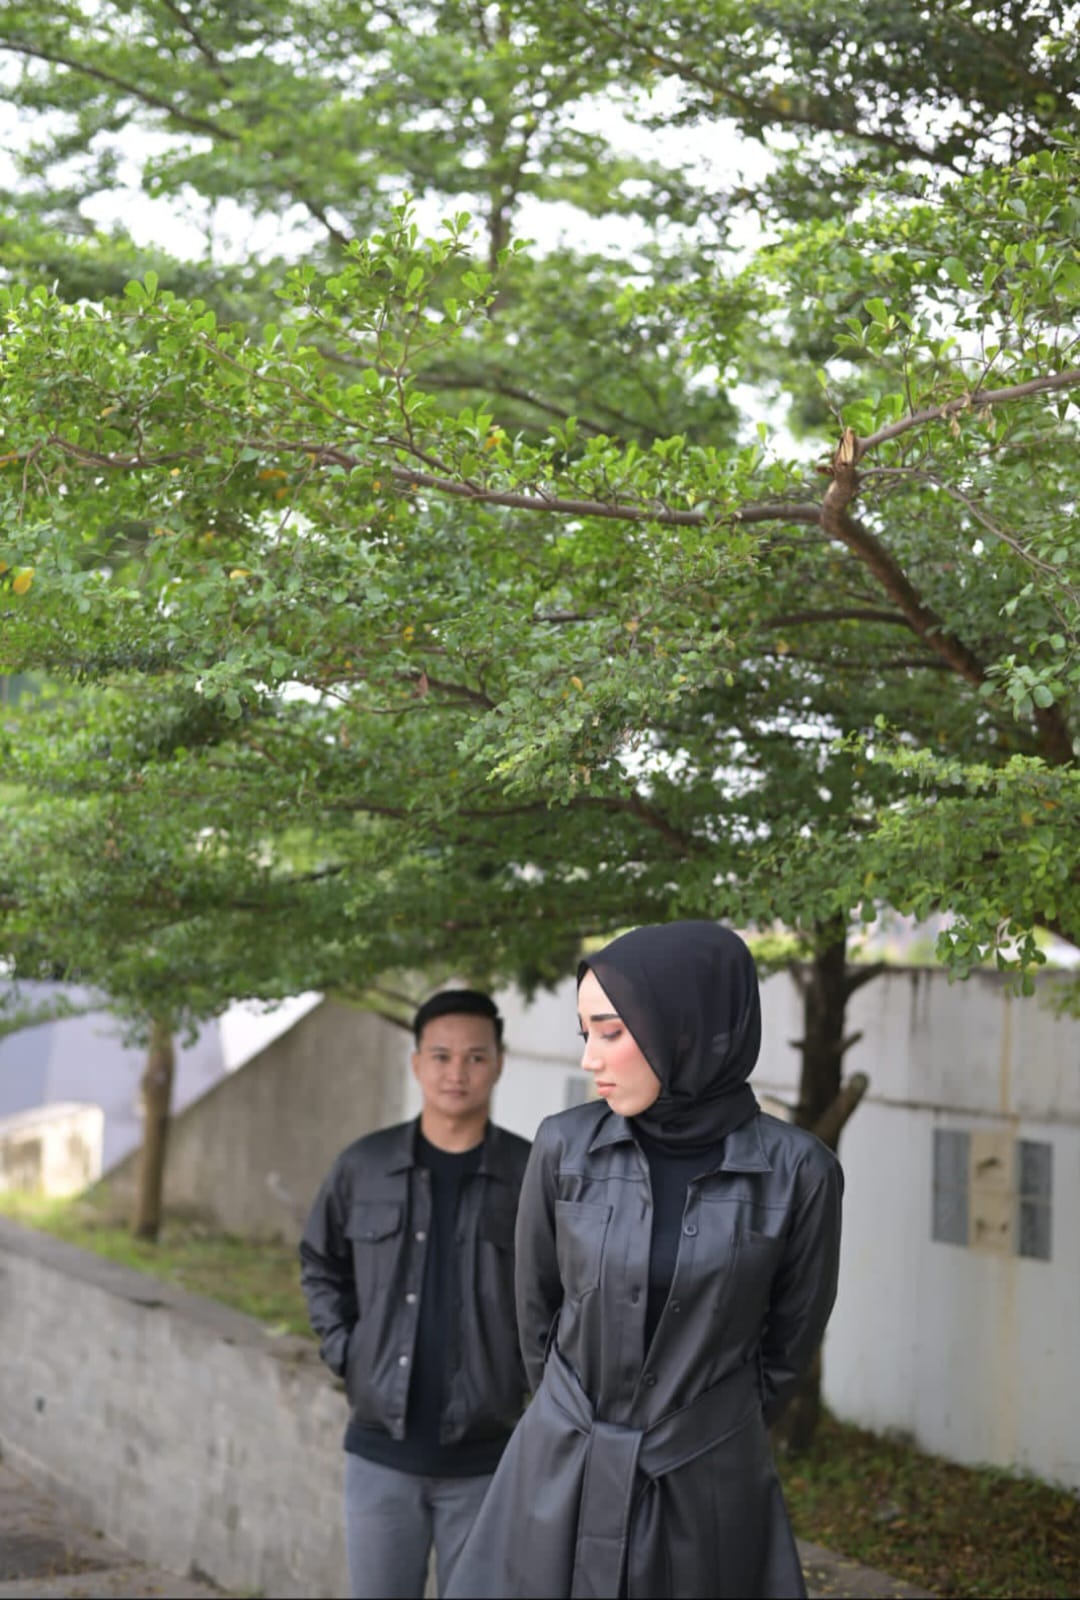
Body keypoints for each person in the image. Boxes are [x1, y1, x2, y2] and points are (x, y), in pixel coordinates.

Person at [446, 921, 844, 1600]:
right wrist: (574, 1418)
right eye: (585, 1034)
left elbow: (787, 1349)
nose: (589, 1060)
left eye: (610, 1033)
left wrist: (704, 1429)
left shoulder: (800, 1172)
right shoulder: (563, 1147)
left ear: (682, 1029)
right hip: (558, 1474)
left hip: (704, 1485)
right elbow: (537, 1314)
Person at [299, 989, 531, 1600]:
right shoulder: (364, 1165)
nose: (457, 1073)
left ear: (499, 1063)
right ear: (416, 1063)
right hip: (381, 1455)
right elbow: (320, 1263)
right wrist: (347, 1351)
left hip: (489, 1462)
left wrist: (526, 1376)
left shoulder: (532, 1175)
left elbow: (563, 1293)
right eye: (441, 1056)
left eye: (475, 1057)